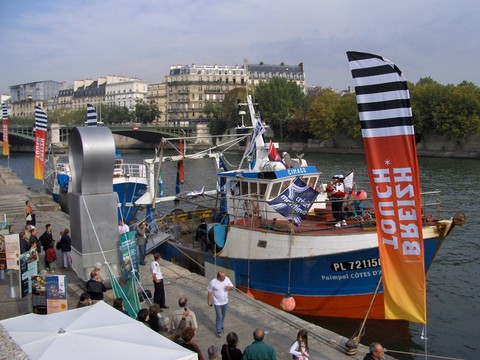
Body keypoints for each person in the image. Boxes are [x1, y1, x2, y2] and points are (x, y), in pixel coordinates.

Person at [207, 271, 234, 338]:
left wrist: (229, 288)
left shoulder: (227, 279)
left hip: (225, 302)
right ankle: (218, 331)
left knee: (223, 315)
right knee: (219, 316)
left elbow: (232, 287)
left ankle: (221, 326)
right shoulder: (213, 282)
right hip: (217, 303)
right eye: (223, 278)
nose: (224, 279)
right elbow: (209, 292)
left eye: (224, 277)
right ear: (218, 277)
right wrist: (209, 301)